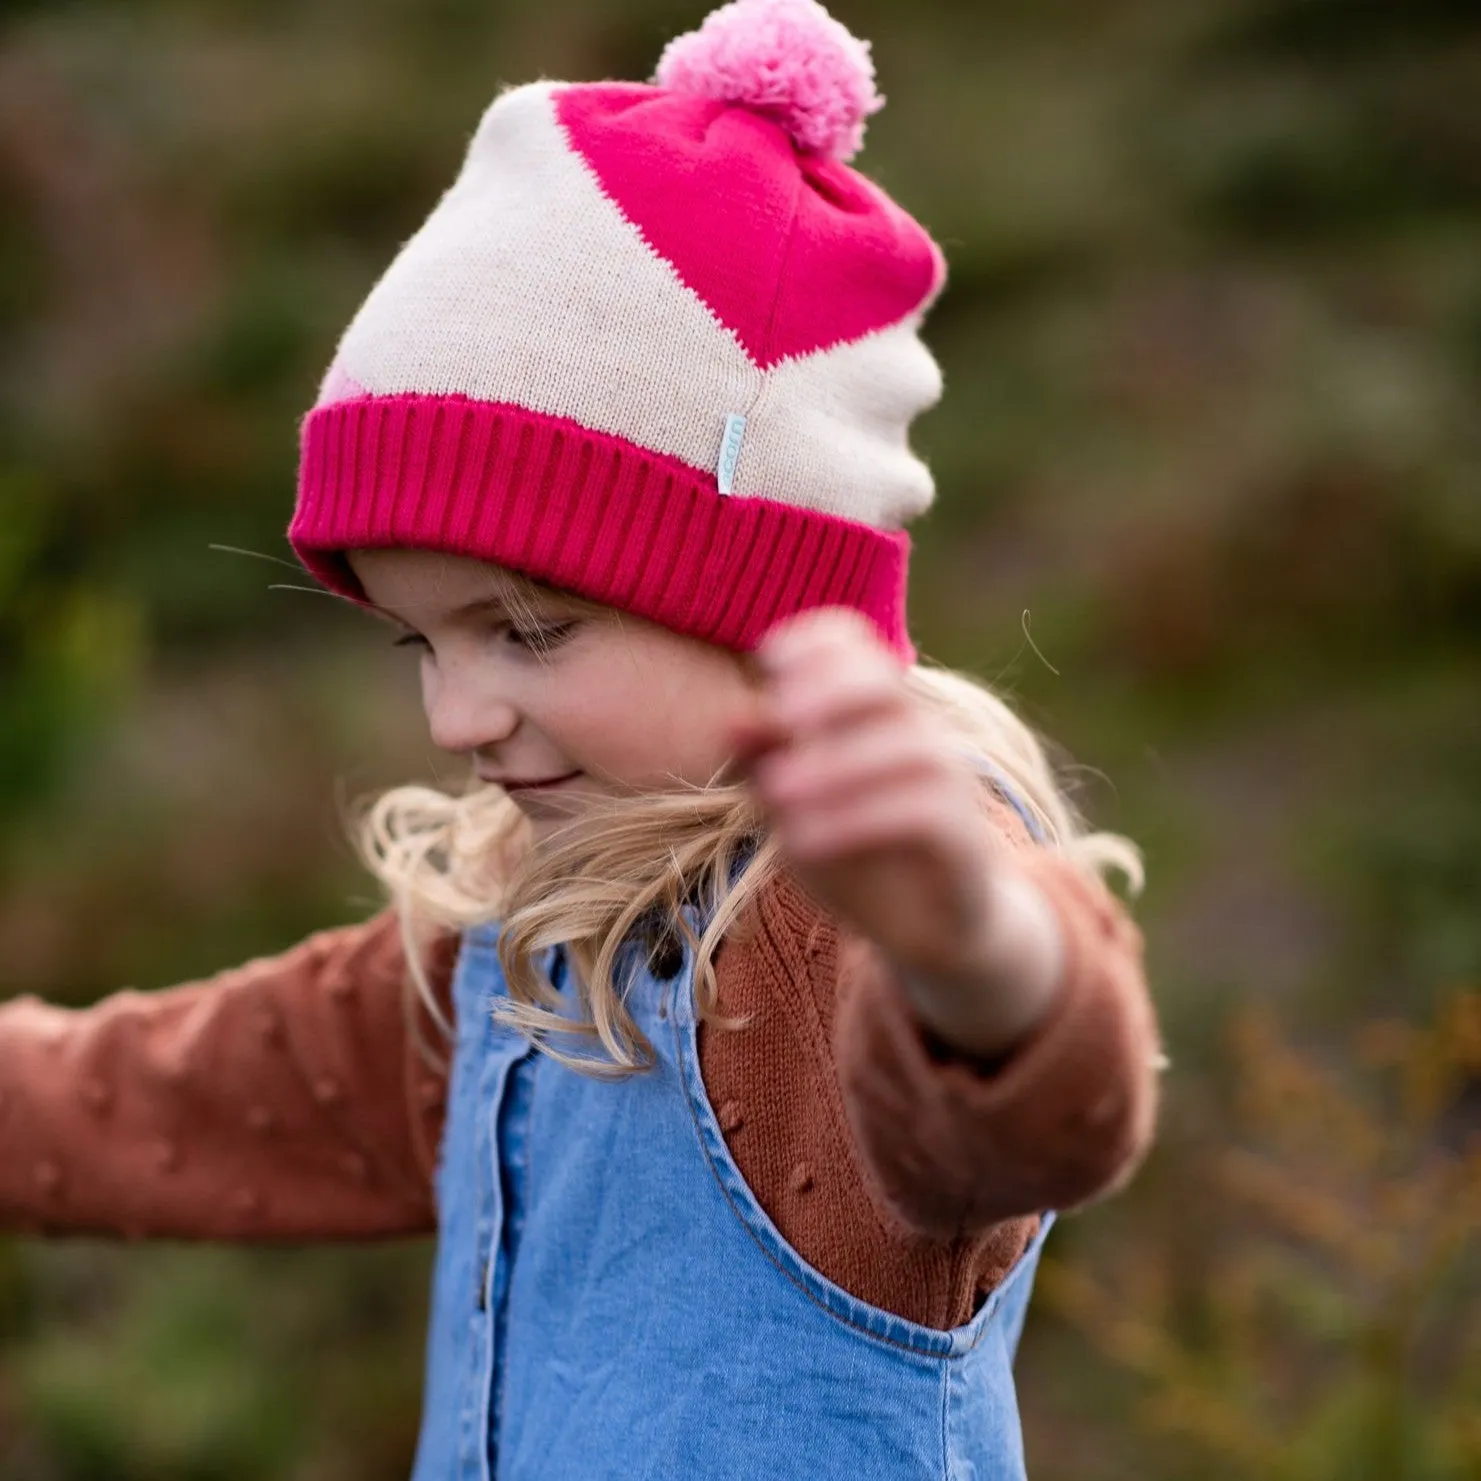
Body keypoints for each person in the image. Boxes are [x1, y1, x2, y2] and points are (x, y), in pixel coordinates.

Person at [0, 0, 1164, 1475]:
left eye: (528, 631)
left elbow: (1016, 1131)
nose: (455, 715)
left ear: (765, 607)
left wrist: (976, 955)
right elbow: (155, 1096)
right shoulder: (521, 941)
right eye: (422, 641)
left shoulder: (831, 920)